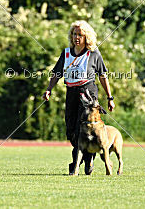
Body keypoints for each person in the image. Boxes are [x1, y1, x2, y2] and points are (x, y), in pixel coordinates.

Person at [42, 20, 115, 175]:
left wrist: (110, 97)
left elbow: (102, 76)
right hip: (71, 93)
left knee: (83, 128)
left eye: (80, 35)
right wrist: (49, 89)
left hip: (88, 92)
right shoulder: (66, 53)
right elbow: (56, 73)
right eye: (74, 34)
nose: (76, 37)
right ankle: (84, 159)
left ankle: (82, 162)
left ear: (86, 37)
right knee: (71, 130)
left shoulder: (93, 53)